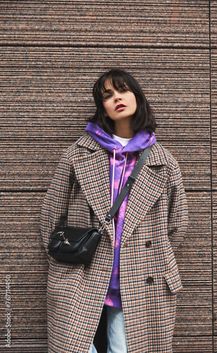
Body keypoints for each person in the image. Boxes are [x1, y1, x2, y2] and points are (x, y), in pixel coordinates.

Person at [40, 68, 189, 353]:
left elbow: (176, 225)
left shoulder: (163, 161)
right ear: (103, 108)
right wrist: (63, 265)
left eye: (123, 90)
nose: (117, 98)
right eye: (108, 96)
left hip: (140, 279)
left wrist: (146, 257)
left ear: (137, 98)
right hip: (81, 275)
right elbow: (51, 217)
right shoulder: (78, 154)